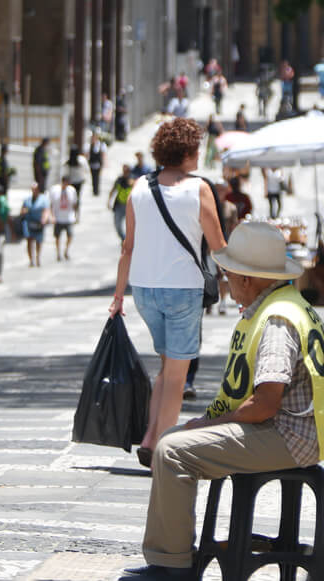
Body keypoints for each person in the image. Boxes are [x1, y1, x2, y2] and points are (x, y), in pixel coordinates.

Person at [124, 221, 324, 581]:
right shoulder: (286, 304)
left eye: (228, 276)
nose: (226, 284)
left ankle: (171, 566)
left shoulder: (276, 320)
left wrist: (207, 425)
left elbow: (265, 404)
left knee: (174, 450)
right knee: (172, 441)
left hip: (289, 435)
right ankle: (169, 557)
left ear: (247, 278)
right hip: (297, 431)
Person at [109, 117, 228, 469]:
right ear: (189, 152)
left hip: (144, 290)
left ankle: (149, 437)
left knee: (166, 366)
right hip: (182, 290)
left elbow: (127, 248)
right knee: (177, 374)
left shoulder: (139, 189)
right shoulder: (200, 189)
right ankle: (164, 447)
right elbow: (218, 246)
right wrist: (240, 286)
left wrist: (118, 297)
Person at [19, 181, 51, 267]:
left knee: (38, 241)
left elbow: (46, 210)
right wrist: (24, 211)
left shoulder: (43, 199)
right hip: (29, 223)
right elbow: (22, 210)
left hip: (39, 223)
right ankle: (31, 259)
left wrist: (44, 219)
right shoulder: (27, 200)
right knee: (29, 240)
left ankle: (37, 257)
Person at [52, 174, 79, 261]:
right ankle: (58, 253)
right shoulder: (55, 190)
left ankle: (66, 251)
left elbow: (75, 203)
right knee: (57, 236)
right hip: (58, 217)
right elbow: (51, 203)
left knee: (70, 235)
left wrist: (76, 215)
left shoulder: (72, 190)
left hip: (69, 217)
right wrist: (52, 216)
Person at [109, 164, 134, 241]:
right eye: (124, 171)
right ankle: (123, 238)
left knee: (131, 225)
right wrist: (109, 201)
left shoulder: (133, 180)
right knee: (117, 225)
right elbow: (113, 190)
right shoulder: (119, 180)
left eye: (126, 171)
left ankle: (130, 240)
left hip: (130, 206)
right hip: (119, 205)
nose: (125, 173)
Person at [65, 148, 89, 219]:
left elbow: (65, 171)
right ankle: (77, 215)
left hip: (71, 182)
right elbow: (86, 170)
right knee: (77, 198)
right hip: (79, 182)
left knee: (70, 198)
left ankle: (71, 213)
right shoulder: (82, 160)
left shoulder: (68, 160)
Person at [88, 132, 106, 198]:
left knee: (97, 177)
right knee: (93, 177)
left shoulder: (101, 145)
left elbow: (103, 154)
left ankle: (97, 190)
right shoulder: (90, 145)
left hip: (98, 164)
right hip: (92, 164)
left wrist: (103, 164)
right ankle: (94, 190)